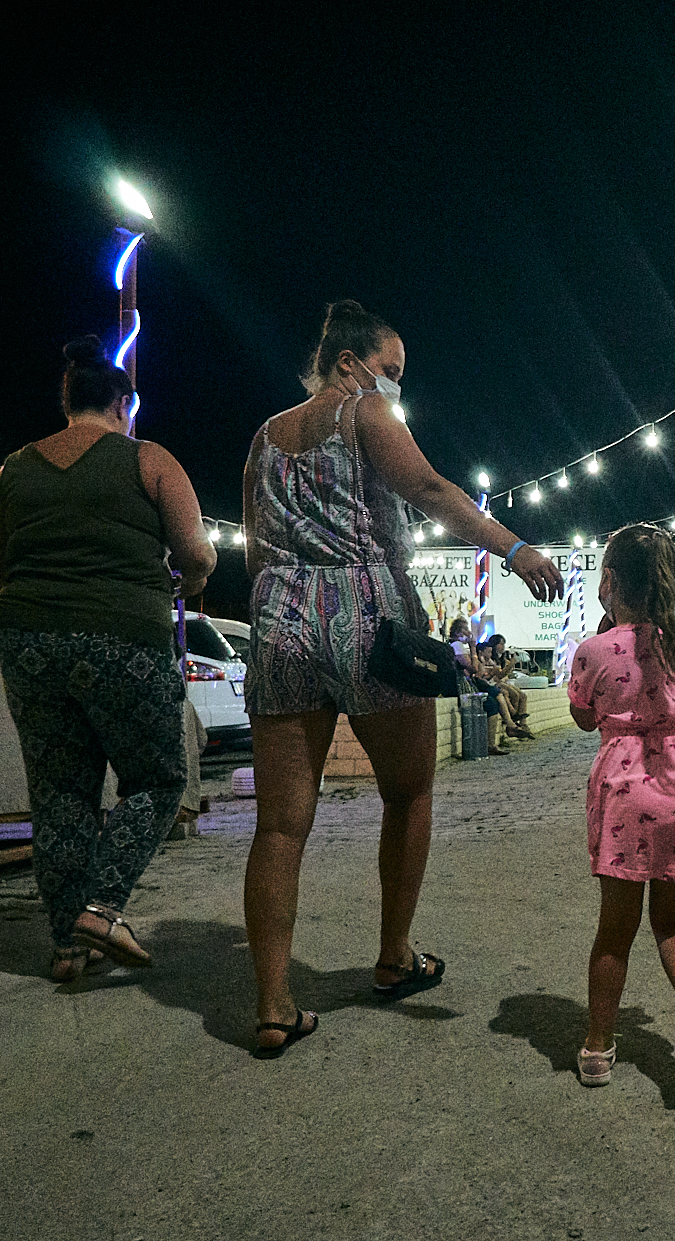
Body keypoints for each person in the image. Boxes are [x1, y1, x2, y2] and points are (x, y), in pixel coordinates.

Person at [243, 300, 563, 1056]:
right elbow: (430, 490)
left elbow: (256, 545)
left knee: (280, 823)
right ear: (349, 364)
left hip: (280, 613)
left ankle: (272, 1002)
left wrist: (281, 613)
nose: (393, 386)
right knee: (409, 789)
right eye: (389, 371)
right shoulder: (364, 415)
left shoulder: (262, 438)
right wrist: (515, 549)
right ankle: (393, 954)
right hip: (366, 615)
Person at [0, 336, 216, 982]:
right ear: (122, 404)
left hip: (27, 641)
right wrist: (179, 585)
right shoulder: (149, 460)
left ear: (68, 400)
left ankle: (67, 945)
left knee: (59, 793)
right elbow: (198, 556)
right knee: (160, 776)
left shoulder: (11, 469)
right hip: (123, 636)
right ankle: (102, 907)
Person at [567, 524, 675, 1092]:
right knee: (674, 922)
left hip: (627, 797)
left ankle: (599, 1048)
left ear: (610, 582)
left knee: (616, 929)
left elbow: (585, 718)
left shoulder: (594, 651)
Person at [446, 619, 512, 754]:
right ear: (459, 632)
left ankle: (503, 731)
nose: (469, 633)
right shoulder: (457, 645)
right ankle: (491, 744)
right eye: (466, 630)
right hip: (461, 687)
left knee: (494, 698)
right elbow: (474, 668)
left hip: (463, 685)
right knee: (491, 704)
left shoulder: (456, 645)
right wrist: (473, 648)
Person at [477, 634, 534, 739]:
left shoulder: (497, 659)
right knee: (510, 693)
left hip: (498, 683)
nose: (503, 646)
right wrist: (511, 665)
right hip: (494, 684)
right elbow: (498, 675)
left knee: (522, 695)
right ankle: (514, 721)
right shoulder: (484, 661)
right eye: (501, 644)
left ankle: (522, 723)